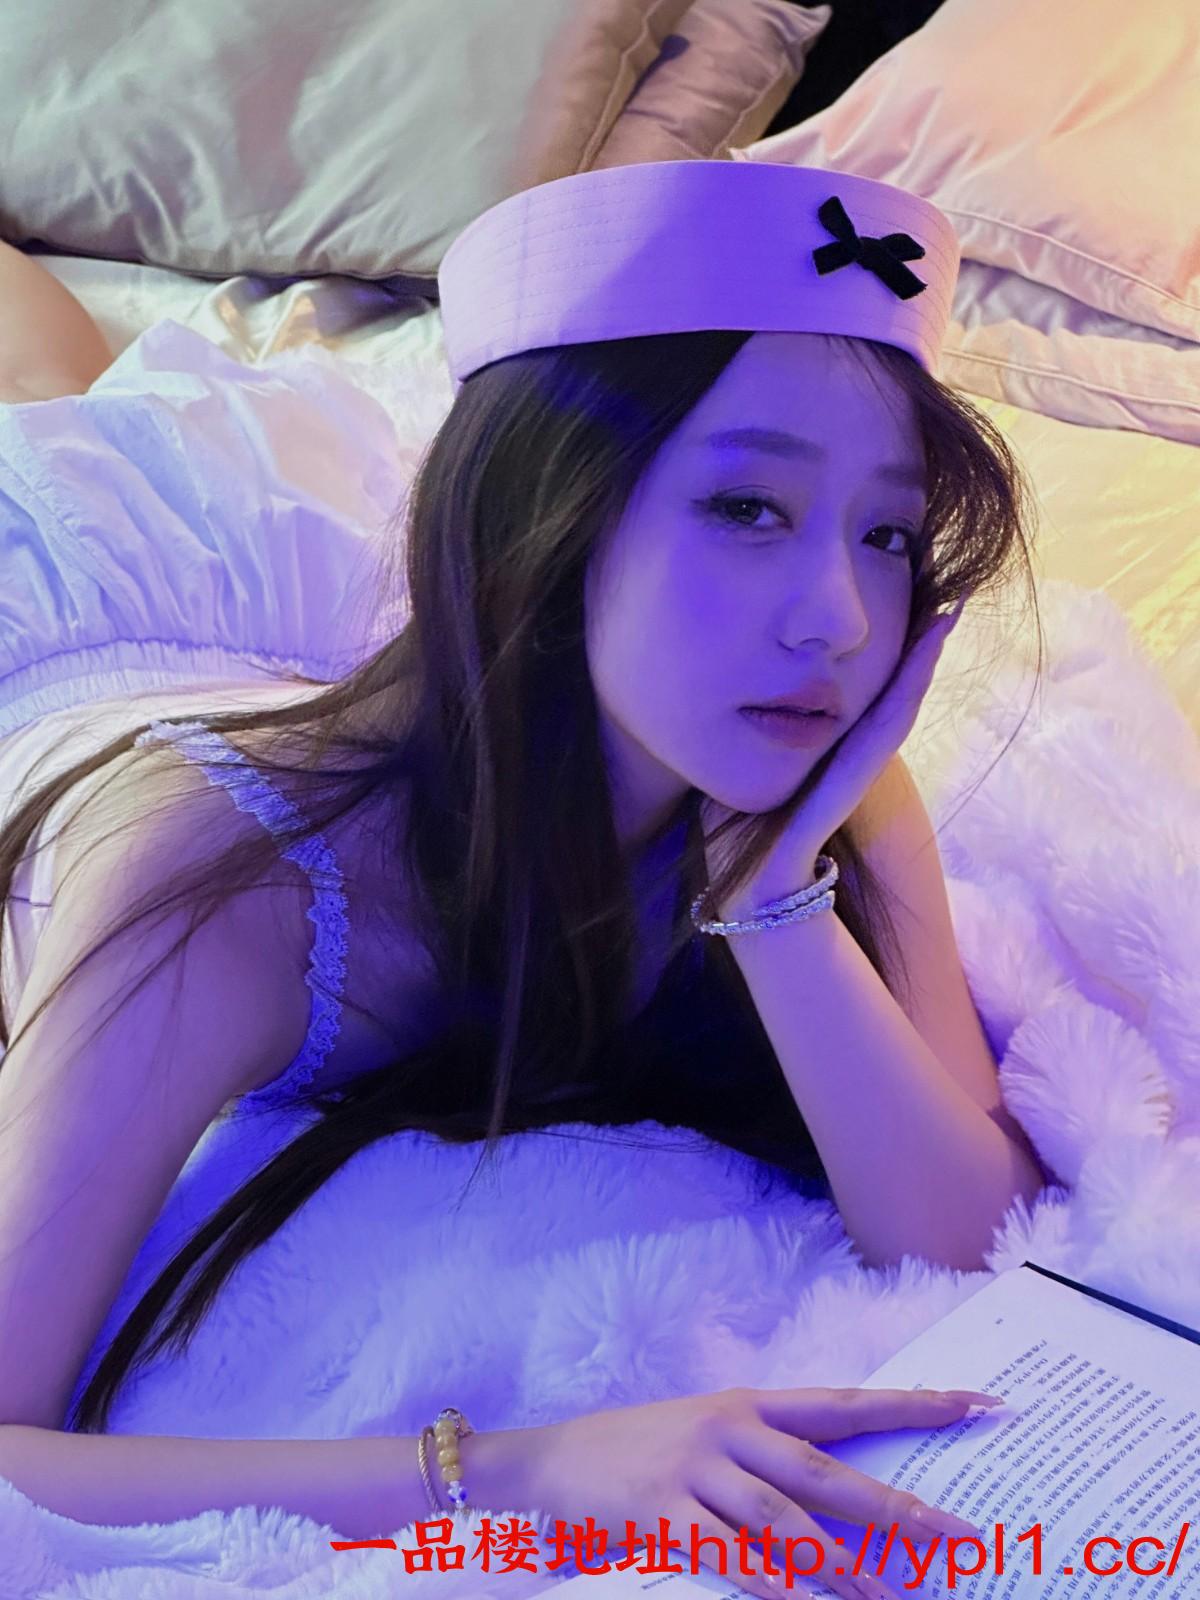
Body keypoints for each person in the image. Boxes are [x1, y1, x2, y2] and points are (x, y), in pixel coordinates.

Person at [0, 163, 1046, 1596]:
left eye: (886, 532)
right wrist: (509, 1469)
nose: (842, 621)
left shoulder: (815, 776)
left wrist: (775, 908)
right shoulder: (215, 882)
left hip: (435, 713)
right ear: (543, 511)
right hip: (65, 684)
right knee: (47, 403)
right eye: (749, 506)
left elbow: (986, 1243)